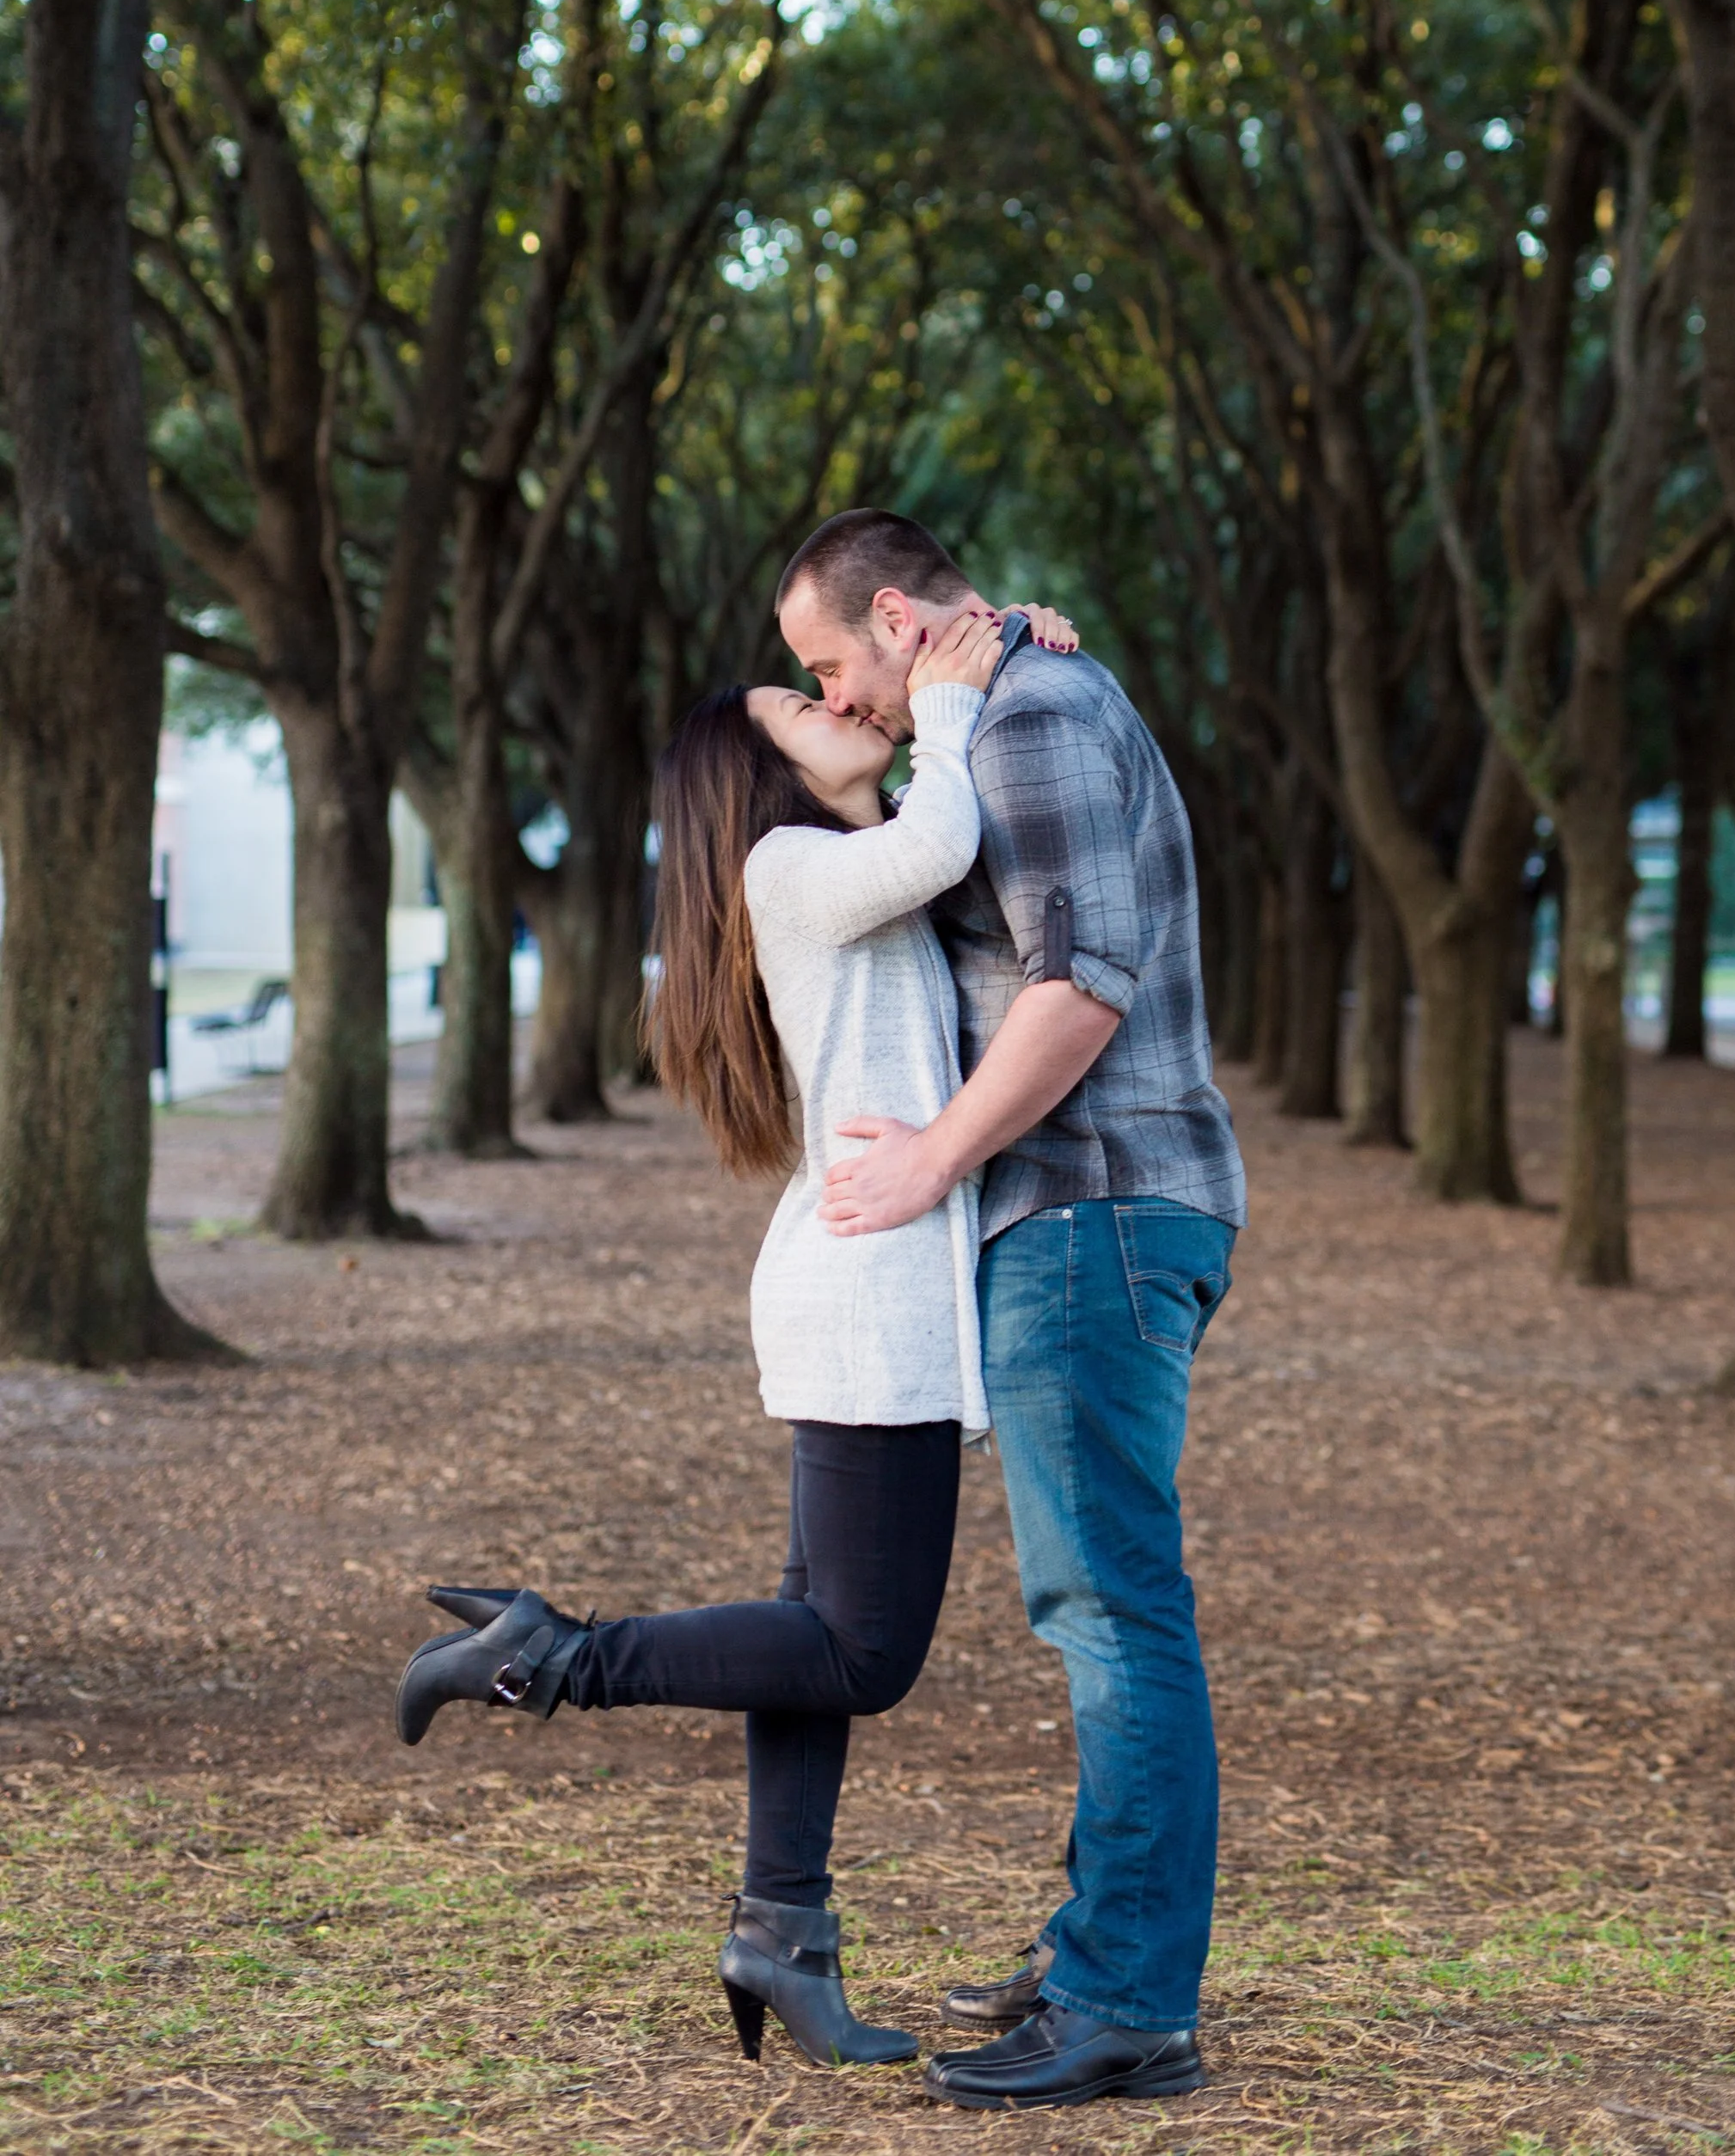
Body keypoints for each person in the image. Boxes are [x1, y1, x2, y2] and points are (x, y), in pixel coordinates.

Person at [392, 596, 1077, 2069]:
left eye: (837, 687)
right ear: (758, 776)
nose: (845, 706)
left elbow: (938, 836)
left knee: (809, 1638)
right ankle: (551, 1655)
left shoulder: (826, 868)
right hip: (867, 1281)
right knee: (862, 1649)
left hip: (860, 1269)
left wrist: (1014, 631)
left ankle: (782, 1935)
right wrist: (958, 695)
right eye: (807, 704)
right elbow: (946, 839)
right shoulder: (787, 864)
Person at [776, 507, 1245, 2111]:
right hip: (1096, 1213)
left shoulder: (1039, 711)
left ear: (899, 616)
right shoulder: (1019, 700)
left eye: (832, 664)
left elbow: (1083, 978)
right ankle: (1100, 1952)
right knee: (1104, 1604)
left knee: (1113, 1609)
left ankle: (1126, 2002)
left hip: (1092, 1207)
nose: (835, 701)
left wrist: (930, 1157)